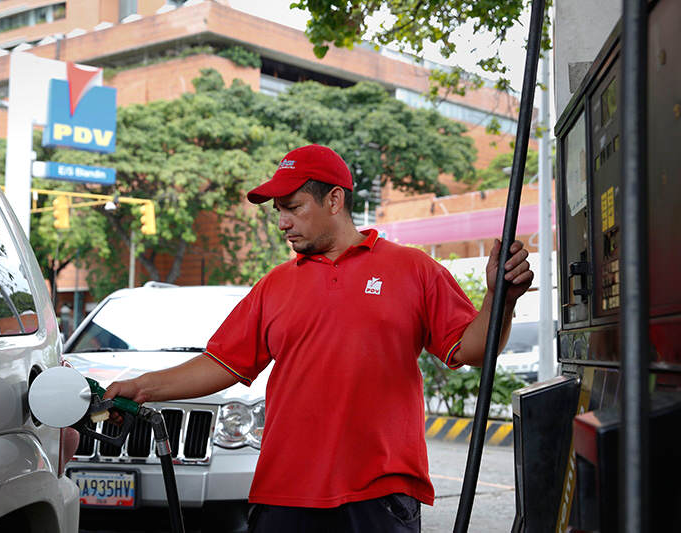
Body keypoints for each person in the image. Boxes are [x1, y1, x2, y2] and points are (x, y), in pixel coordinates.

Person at [104, 144, 534, 532]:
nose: (283, 223)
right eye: (278, 211)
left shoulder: (413, 269)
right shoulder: (274, 285)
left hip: (380, 494)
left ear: (334, 199)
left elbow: (475, 348)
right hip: (285, 493)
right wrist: (139, 388)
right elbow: (220, 364)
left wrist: (501, 300)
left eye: (292, 207)